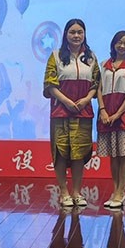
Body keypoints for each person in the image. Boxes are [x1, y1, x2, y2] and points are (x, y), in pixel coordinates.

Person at [43, 18, 100, 208]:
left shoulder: (91, 58)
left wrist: (86, 99)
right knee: (61, 152)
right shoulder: (56, 56)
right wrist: (66, 101)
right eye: (72, 32)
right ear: (66, 35)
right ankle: (64, 192)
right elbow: (50, 84)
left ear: (84, 35)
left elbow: (96, 83)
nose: (76, 36)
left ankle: (76, 192)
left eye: (80, 32)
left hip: (83, 112)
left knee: (79, 153)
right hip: (61, 112)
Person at [97, 30, 125, 209]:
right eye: (119, 42)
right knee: (113, 155)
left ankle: (121, 192)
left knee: (123, 155)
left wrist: (118, 114)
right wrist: (103, 110)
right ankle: (115, 189)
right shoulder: (103, 65)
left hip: (124, 117)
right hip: (106, 116)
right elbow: (99, 89)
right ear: (113, 44)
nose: (122, 46)